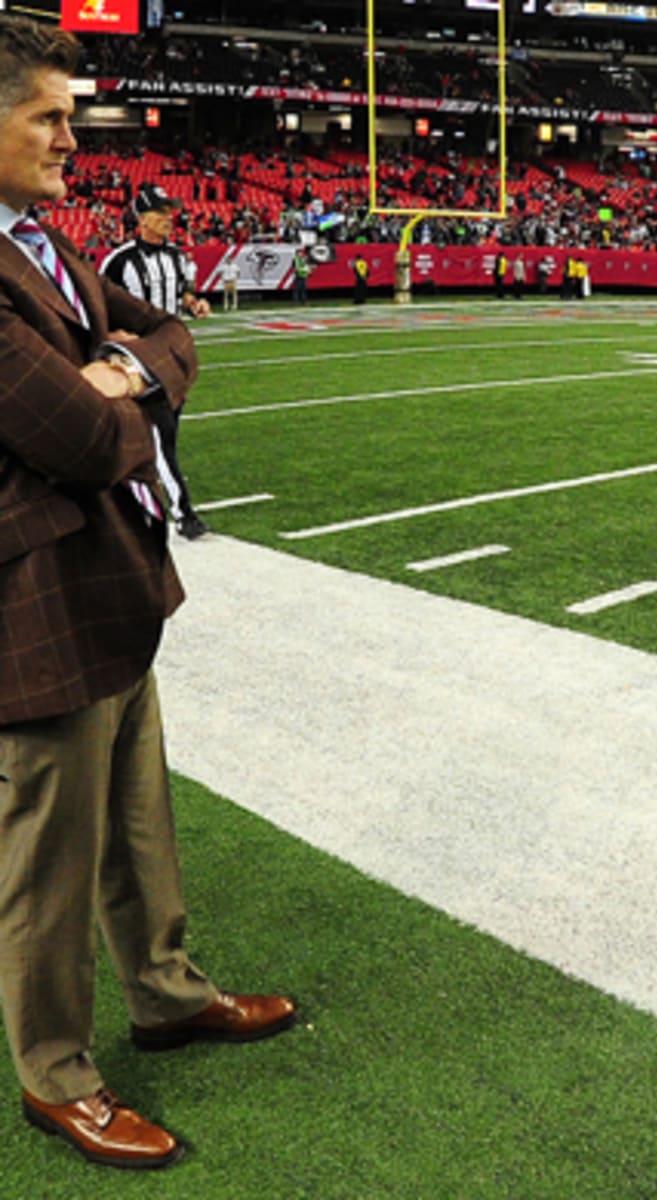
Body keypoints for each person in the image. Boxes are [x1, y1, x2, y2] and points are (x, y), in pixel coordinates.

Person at [0, 15, 295, 1172]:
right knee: (50, 855)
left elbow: (170, 339)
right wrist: (125, 396)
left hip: (110, 577)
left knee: (137, 822)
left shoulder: (44, 245)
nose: (76, 136)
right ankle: (55, 1074)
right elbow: (76, 438)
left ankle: (166, 995)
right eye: (49, 116)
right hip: (36, 594)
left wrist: (124, 368)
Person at [100, 183, 211, 540]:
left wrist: (194, 304)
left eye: (169, 212)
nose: (168, 219)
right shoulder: (119, 260)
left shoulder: (176, 256)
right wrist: (115, 335)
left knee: (166, 436)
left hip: (172, 354)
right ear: (142, 218)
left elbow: (184, 291)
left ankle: (127, 497)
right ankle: (184, 514)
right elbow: (98, 304)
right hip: (140, 360)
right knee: (160, 436)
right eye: (161, 213)